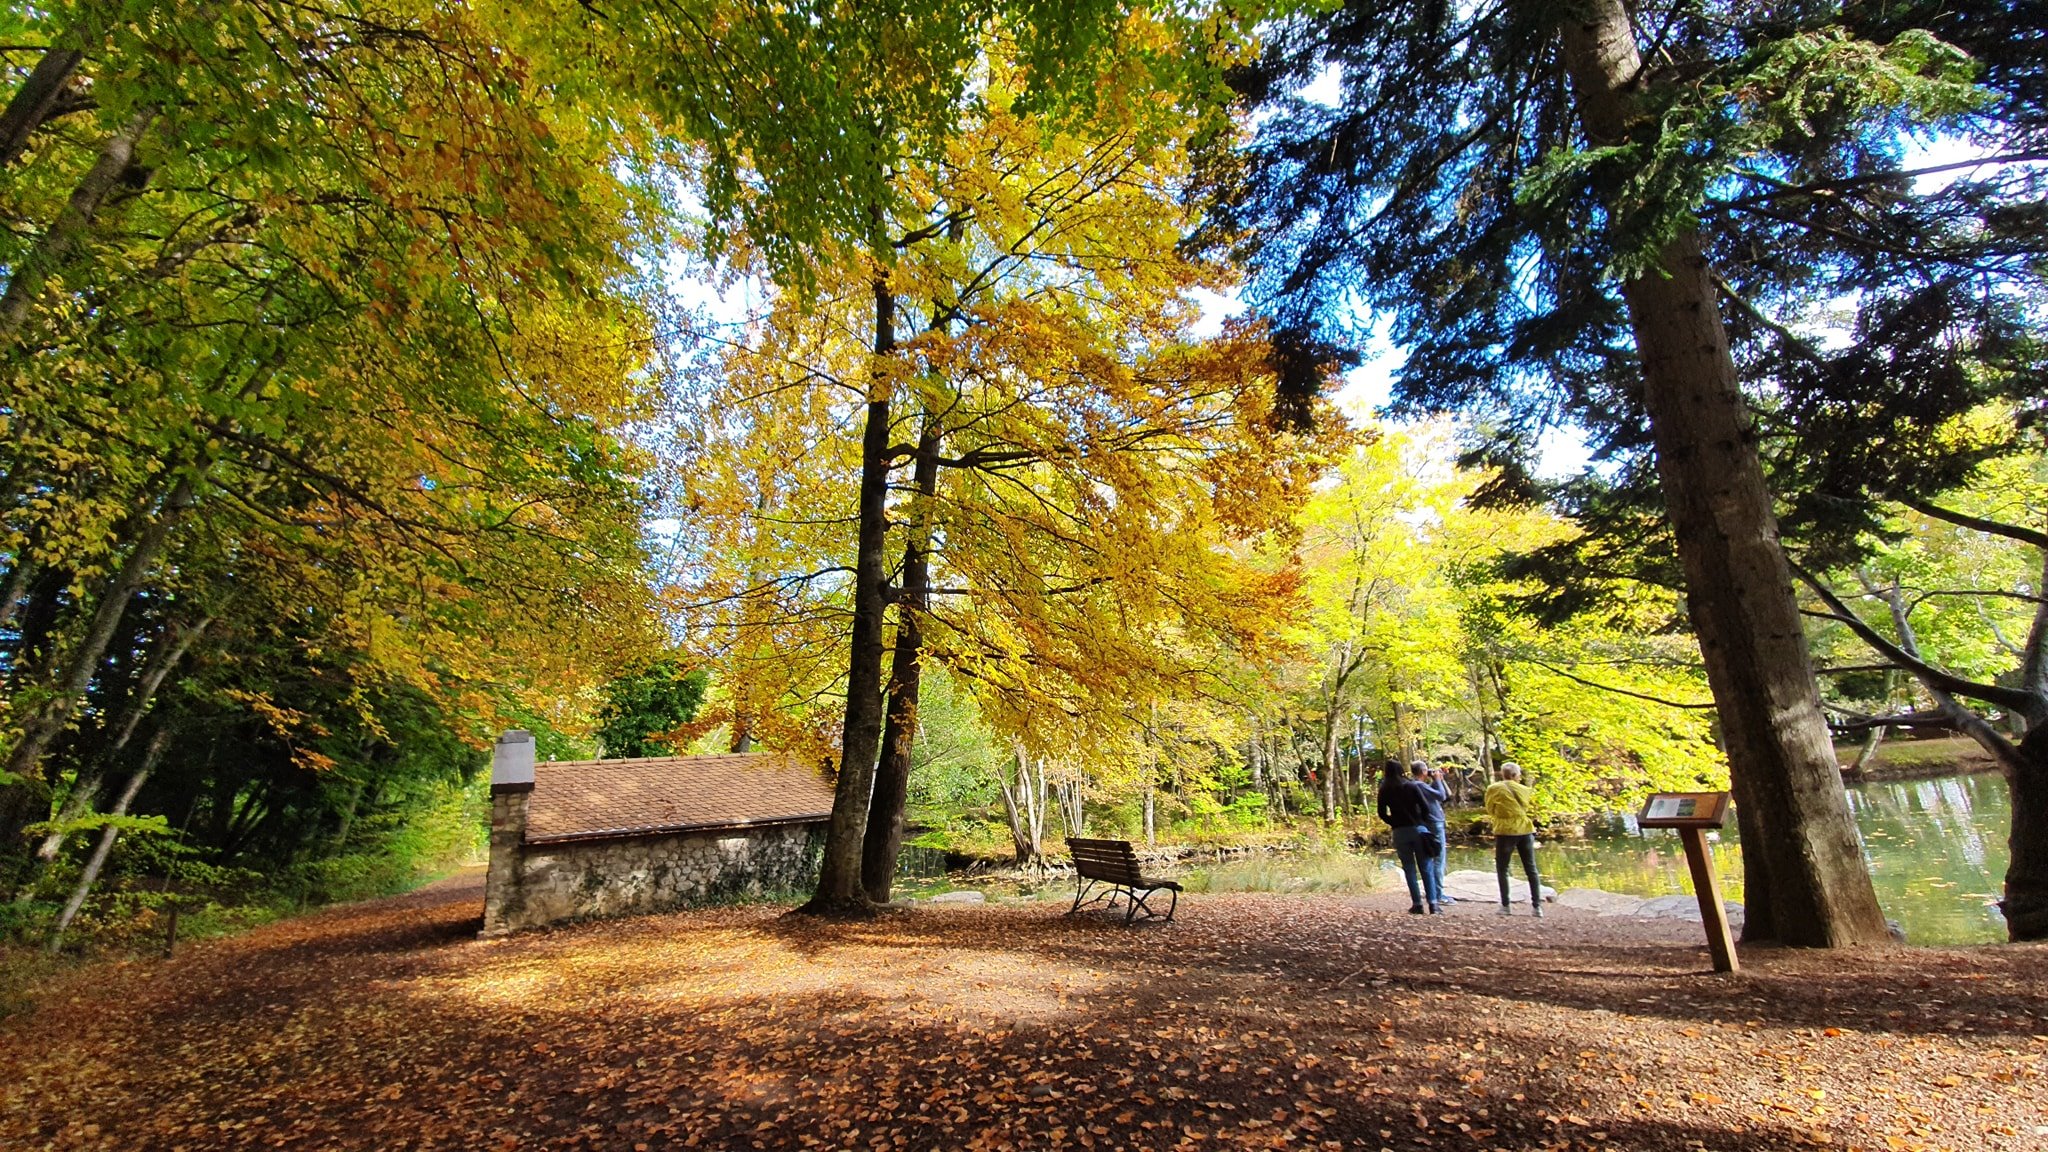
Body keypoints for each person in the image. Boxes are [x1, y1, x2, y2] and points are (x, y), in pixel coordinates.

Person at [1378, 759, 1445, 913]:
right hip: (1418, 829)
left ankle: (1417, 904)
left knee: (1409, 868)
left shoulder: (1384, 789)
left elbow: (1382, 813)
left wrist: (1393, 822)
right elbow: (1425, 807)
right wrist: (1421, 821)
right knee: (1426, 866)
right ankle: (1433, 904)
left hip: (1399, 832)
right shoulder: (1411, 786)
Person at [1484, 762, 1543, 917]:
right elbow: (1527, 807)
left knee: (1502, 868)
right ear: (1516, 775)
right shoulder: (1525, 790)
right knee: (1531, 868)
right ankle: (1537, 907)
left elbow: (1490, 809)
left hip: (1505, 831)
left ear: (1502, 774)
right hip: (1524, 829)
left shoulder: (1493, 789)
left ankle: (1505, 905)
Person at [1419, 760, 1454, 904]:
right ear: (1423, 772)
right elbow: (1442, 796)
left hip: (1433, 823)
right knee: (1438, 860)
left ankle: (1436, 893)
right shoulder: (1420, 786)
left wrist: (1440, 779)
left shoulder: (1424, 787)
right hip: (1434, 824)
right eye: (1427, 770)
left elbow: (1447, 794)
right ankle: (1438, 895)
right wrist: (1437, 780)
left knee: (1436, 860)